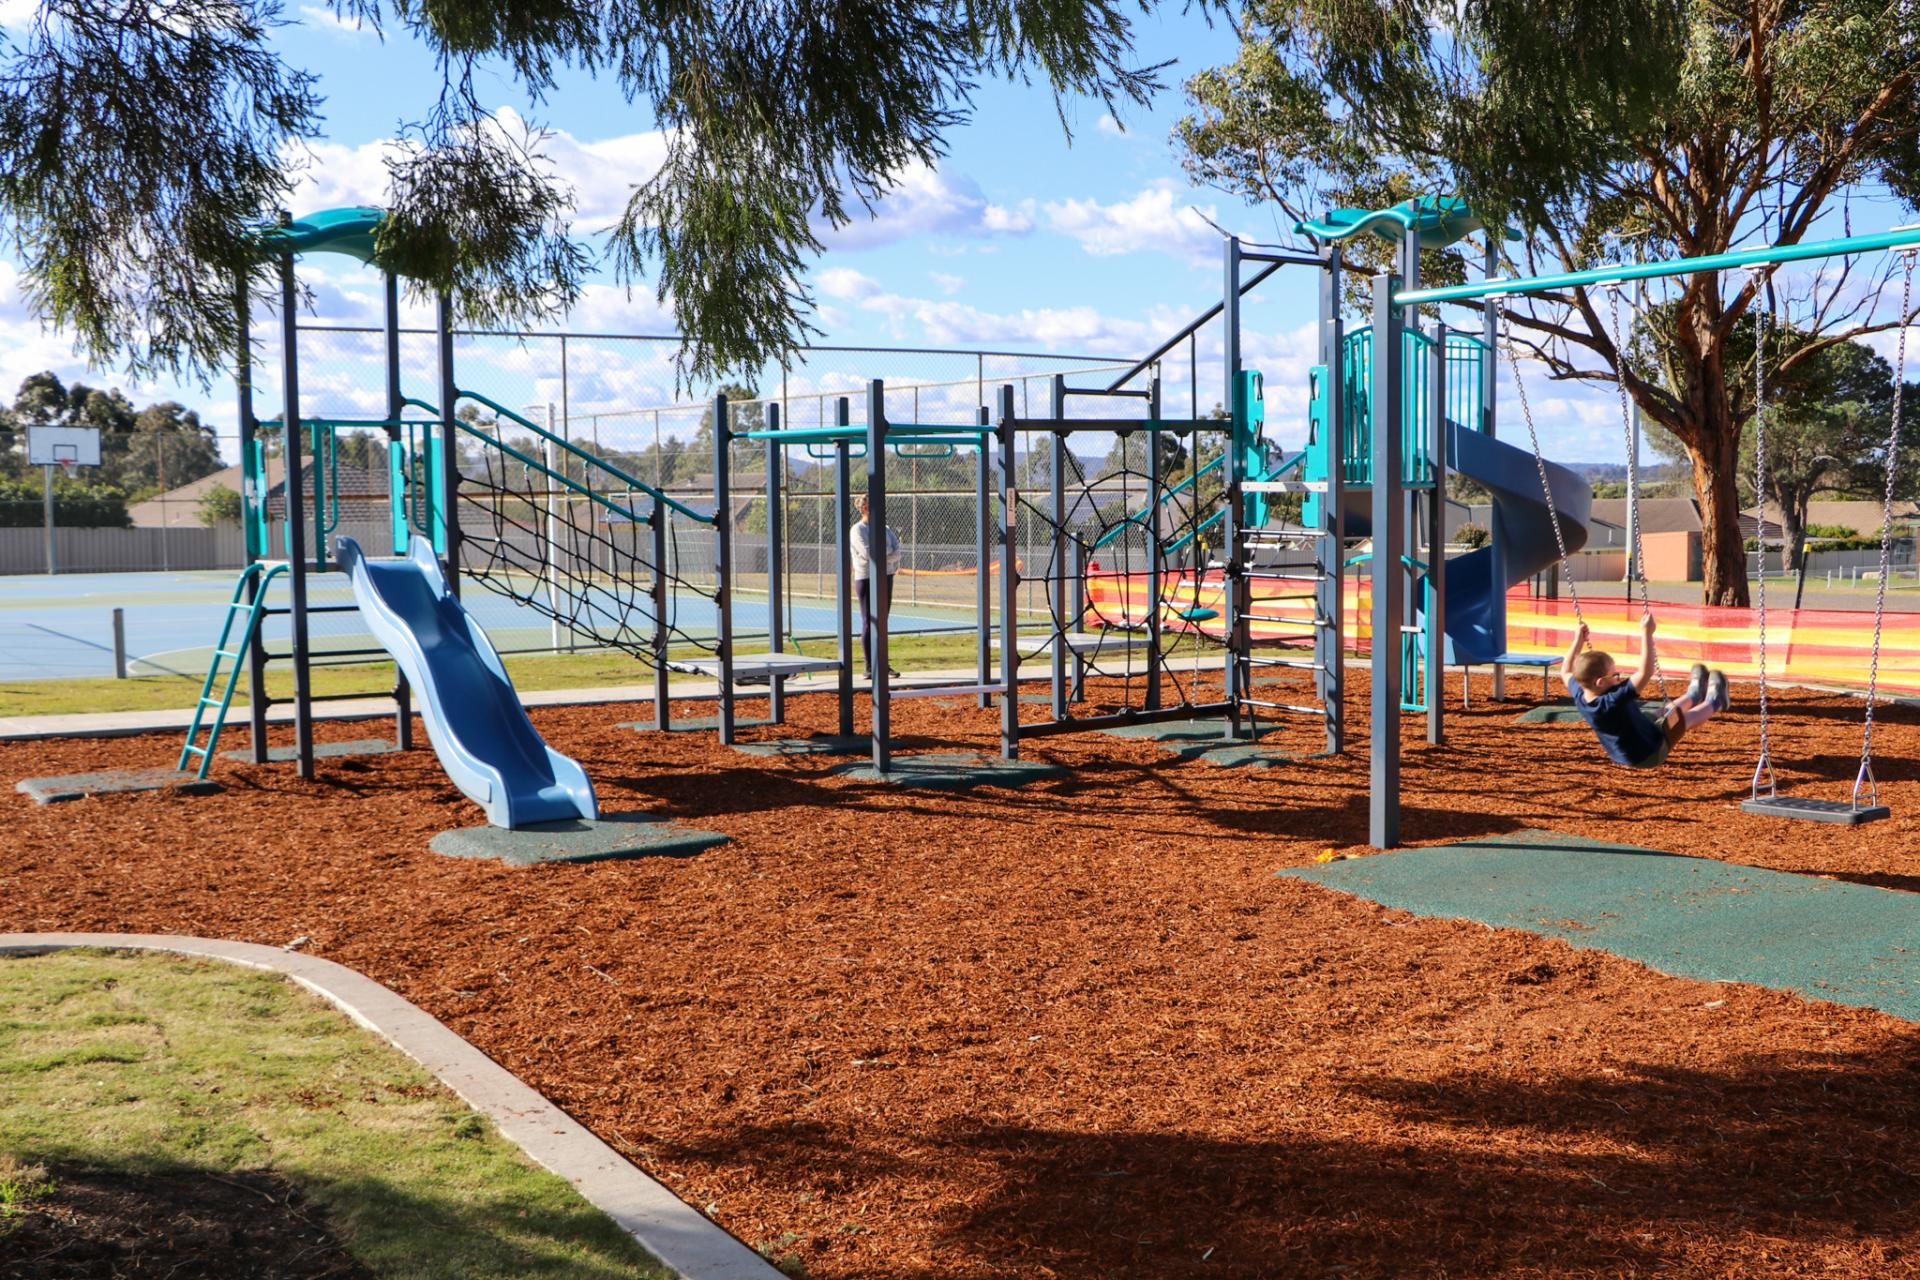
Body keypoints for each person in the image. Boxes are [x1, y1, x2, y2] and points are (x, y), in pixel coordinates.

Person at [1561, 616, 1729, 769]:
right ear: (1600, 682)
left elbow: (1565, 671)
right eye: (1614, 675)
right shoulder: (1611, 702)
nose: (1618, 678)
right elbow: (1645, 673)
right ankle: (1716, 701)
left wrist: (1578, 640)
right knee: (1683, 720)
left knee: (1662, 711)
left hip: (1637, 734)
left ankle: (1693, 695)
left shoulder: (1581, 692)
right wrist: (1647, 633)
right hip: (1648, 753)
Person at [851, 493, 900, 678]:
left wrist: (882, 553)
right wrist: (886, 552)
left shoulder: (885, 529)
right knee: (868, 621)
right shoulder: (858, 530)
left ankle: (883, 664)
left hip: (886, 576)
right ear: (865, 508)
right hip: (866, 578)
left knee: (882, 621)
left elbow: (897, 552)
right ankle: (869, 666)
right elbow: (867, 553)